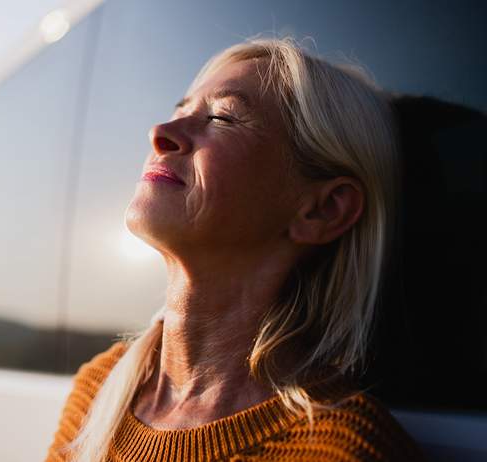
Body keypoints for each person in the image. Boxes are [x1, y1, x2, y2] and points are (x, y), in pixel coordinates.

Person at [45, 38, 425, 462]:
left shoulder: (338, 449)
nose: (160, 134)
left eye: (222, 117)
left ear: (323, 209)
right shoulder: (100, 387)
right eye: (180, 110)